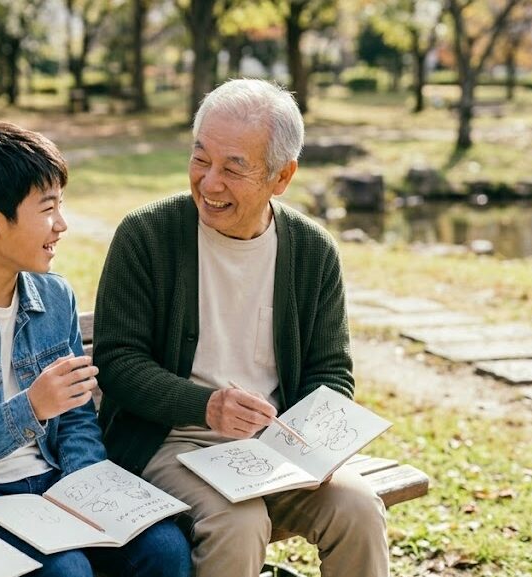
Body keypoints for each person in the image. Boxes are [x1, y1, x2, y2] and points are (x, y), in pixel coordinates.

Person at [93, 79, 389, 577]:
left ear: (282, 176)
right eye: (200, 158)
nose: (209, 183)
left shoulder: (313, 251)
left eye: (234, 168)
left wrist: (316, 443)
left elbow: (331, 370)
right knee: (238, 522)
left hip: (274, 452)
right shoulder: (145, 235)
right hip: (169, 443)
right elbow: (117, 363)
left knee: (358, 507)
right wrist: (204, 406)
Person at [0, 122, 191, 577]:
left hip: (53, 483)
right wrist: (28, 409)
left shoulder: (55, 297)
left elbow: (78, 416)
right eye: (47, 209)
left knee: (166, 550)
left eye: (60, 206)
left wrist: (89, 489)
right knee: (67, 572)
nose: (61, 225)